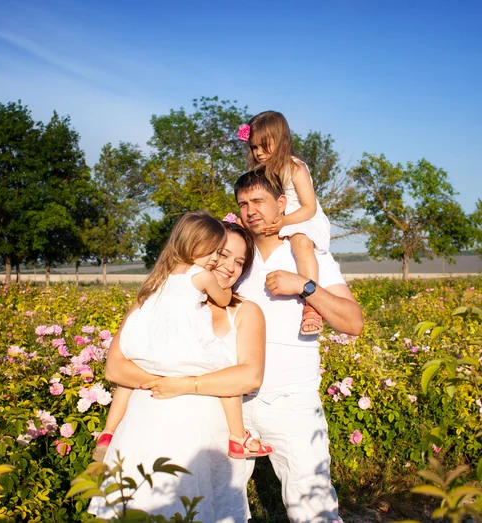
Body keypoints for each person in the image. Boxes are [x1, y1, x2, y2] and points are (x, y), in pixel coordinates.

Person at [89, 215, 267, 522]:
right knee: (140, 507)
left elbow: (250, 375)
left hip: (205, 443)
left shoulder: (244, 311)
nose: (228, 266)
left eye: (240, 262)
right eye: (222, 254)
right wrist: (166, 381)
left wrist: (184, 384)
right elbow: (116, 368)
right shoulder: (156, 301)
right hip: (146, 430)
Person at [233, 169, 363, 523]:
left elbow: (354, 323)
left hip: (293, 402)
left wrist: (306, 287)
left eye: (258, 200)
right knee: (218, 504)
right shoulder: (233, 258)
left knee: (313, 509)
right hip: (231, 400)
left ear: (282, 204)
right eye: (243, 203)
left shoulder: (311, 256)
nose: (251, 210)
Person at [239, 111, 332, 335]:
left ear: (280, 140)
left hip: (300, 218)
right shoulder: (259, 173)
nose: (259, 153)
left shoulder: (295, 168)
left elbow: (309, 207)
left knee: (301, 243)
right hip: (276, 218)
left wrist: (284, 222)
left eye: (264, 146)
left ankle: (311, 305)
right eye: (254, 148)